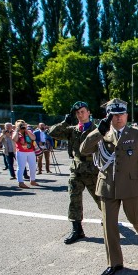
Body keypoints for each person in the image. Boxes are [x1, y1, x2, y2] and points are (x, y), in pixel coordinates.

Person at [80, 98, 138, 275]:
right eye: (113, 115)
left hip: (131, 186)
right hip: (107, 186)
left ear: (127, 115)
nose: (118, 118)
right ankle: (114, 263)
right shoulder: (101, 133)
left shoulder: (137, 134)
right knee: (109, 226)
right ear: (108, 117)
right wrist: (99, 131)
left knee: (134, 218)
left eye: (121, 114)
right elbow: (83, 149)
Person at [48, 101, 102, 244]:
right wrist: (65, 123)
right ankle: (77, 230)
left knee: (101, 199)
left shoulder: (97, 129)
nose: (80, 114)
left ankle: (109, 220)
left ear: (89, 112)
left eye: (83, 111)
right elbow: (52, 133)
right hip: (76, 169)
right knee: (74, 200)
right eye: (77, 112)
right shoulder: (72, 129)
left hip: (92, 170)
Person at [12, 120, 38, 188]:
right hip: (21, 152)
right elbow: (14, 139)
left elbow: (33, 138)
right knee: (21, 167)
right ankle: (20, 182)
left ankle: (32, 180)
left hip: (31, 151)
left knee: (33, 166)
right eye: (21, 125)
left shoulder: (28, 131)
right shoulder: (16, 133)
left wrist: (26, 130)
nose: (22, 127)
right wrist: (17, 130)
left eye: (24, 125)